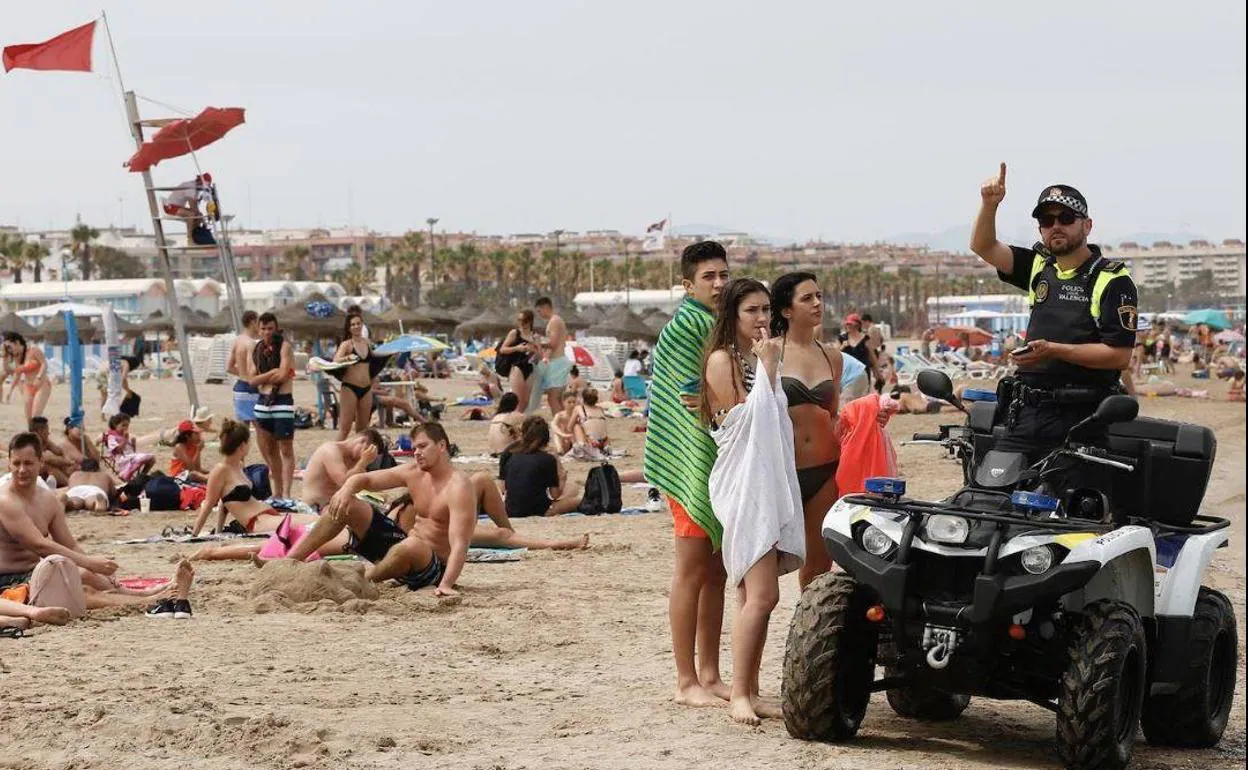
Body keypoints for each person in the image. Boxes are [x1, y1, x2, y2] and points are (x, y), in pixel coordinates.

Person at [970, 165, 1137, 460]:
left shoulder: (1112, 280)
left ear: (1087, 225)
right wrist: (989, 205)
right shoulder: (1039, 266)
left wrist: (1054, 351)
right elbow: (983, 245)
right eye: (1047, 220)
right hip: (1027, 412)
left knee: (1073, 502)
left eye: (1066, 218)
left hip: (1085, 417)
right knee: (993, 492)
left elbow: (1119, 356)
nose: (1056, 226)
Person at [700, 278, 803, 725]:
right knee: (761, 593)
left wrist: (768, 367)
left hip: (765, 479)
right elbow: (744, 419)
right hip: (742, 484)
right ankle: (740, 692)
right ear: (733, 317)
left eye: (766, 310)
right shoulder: (723, 360)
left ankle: (751, 689)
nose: (762, 319)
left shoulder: (758, 357)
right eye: (752, 311)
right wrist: (768, 367)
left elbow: (774, 414)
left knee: (756, 596)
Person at [641, 240, 732, 707]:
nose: (718, 284)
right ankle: (685, 681)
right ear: (687, 284)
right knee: (690, 571)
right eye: (708, 277)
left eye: (723, 275)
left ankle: (711, 674)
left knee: (715, 571)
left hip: (713, 458)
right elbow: (684, 403)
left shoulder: (719, 326)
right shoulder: (686, 329)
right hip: (689, 462)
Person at [0, 432, 194, 615]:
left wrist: (93, 568)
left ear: (40, 462)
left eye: (28, 463)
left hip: (34, 570)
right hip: (8, 580)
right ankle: (151, 601)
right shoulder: (6, 501)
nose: (21, 470)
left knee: (86, 574)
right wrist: (90, 562)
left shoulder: (48, 499)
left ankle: (144, 593)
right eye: (16, 463)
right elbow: (39, 544)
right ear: (9, 464)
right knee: (80, 590)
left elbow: (69, 544)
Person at [287, 423, 476, 596]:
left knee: (412, 545)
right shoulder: (414, 472)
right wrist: (346, 490)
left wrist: (446, 584)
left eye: (423, 446)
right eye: (414, 448)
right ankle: (288, 562)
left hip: (433, 569)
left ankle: (364, 580)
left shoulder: (458, 487)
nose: (416, 452)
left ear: (442, 446)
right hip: (403, 552)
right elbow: (366, 480)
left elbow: (460, 543)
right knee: (348, 505)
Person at [769, 272, 845, 588]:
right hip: (782, 472)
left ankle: (808, 632)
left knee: (818, 568)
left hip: (825, 470)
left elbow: (833, 414)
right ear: (787, 310)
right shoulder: (770, 352)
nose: (817, 303)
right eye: (807, 298)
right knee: (765, 568)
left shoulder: (833, 356)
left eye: (819, 296)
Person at [189, 419, 291, 537]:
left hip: (266, 513)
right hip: (256, 521)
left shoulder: (239, 466)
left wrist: (218, 531)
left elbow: (224, 502)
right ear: (242, 445)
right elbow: (208, 504)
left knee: (312, 520)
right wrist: (194, 535)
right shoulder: (220, 470)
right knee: (310, 525)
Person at [248, 312, 296, 498]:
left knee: (286, 449)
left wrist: (264, 377)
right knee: (270, 451)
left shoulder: (284, 347)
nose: (267, 332)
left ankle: (287, 493)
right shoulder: (258, 349)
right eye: (263, 328)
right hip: (263, 403)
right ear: (258, 330)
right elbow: (251, 380)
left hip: (282, 402)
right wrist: (271, 374)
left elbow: (284, 375)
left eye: (270, 328)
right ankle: (277, 492)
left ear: (276, 329)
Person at [498, 416, 583, 517]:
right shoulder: (547, 459)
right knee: (576, 495)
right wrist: (562, 475)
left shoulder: (510, 453)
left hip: (510, 509)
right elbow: (555, 495)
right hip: (539, 510)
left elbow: (502, 488)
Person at [300, 430, 386, 509]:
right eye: (366, 452)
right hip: (316, 506)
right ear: (362, 441)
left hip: (333, 504)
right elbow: (344, 481)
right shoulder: (330, 450)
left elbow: (362, 484)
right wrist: (363, 462)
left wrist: (377, 495)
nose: (362, 457)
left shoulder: (354, 459)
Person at [333, 311, 378, 440]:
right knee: (345, 429)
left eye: (358, 323)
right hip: (350, 387)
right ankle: (333, 454)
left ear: (362, 325)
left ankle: (358, 456)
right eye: (353, 324)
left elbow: (373, 363)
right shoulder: (347, 344)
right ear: (349, 328)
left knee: (363, 429)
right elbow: (336, 360)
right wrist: (347, 357)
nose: (356, 326)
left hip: (366, 388)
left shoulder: (367, 343)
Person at [531, 297, 571, 415]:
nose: (539, 314)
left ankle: (558, 423)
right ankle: (563, 423)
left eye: (539, 311)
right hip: (558, 361)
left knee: (553, 397)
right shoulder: (556, 320)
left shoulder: (554, 321)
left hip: (557, 362)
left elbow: (553, 344)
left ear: (546, 308)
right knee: (558, 398)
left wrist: (537, 342)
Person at [3, 332, 51, 422]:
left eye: (9, 347)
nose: (9, 350)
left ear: (17, 342)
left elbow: (44, 364)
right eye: (6, 348)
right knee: (29, 420)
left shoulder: (34, 350)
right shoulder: (18, 356)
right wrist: (10, 390)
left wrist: (39, 376)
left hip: (41, 385)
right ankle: (32, 435)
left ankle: (39, 433)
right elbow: (18, 373)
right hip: (27, 387)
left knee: (35, 417)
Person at [497, 310, 539, 412]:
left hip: (530, 367)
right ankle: (515, 422)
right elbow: (502, 349)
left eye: (523, 320)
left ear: (529, 321)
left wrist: (534, 350)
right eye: (519, 320)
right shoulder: (514, 333)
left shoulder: (535, 336)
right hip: (517, 367)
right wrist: (517, 348)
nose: (521, 322)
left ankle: (518, 421)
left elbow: (540, 356)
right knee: (518, 400)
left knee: (525, 402)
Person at [227, 310, 261, 424]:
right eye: (259, 322)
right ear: (252, 322)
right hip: (251, 388)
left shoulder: (237, 340)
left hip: (240, 387)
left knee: (242, 429)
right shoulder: (251, 344)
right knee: (260, 427)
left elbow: (229, 367)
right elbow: (253, 370)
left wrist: (242, 373)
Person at [103, 413, 155, 482]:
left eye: (127, 426)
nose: (125, 428)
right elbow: (118, 450)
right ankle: (126, 474)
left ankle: (141, 476)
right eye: (123, 425)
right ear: (115, 425)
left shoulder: (124, 435)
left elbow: (132, 452)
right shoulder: (112, 437)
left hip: (130, 457)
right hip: (121, 459)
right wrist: (125, 439)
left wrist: (133, 444)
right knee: (141, 458)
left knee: (152, 459)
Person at [30, 416, 76, 488]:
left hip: (40, 471)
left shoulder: (45, 442)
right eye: (46, 431)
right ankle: (71, 485)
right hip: (31, 472)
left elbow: (59, 451)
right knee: (49, 467)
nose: (49, 433)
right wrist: (69, 462)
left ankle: (70, 482)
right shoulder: (31, 443)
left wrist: (66, 461)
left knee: (60, 465)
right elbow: (47, 458)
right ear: (40, 431)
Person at [574, 387, 610, 453]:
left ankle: (582, 445)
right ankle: (606, 447)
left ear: (583, 399)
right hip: (604, 441)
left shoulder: (579, 408)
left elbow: (569, 427)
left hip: (591, 441)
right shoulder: (600, 409)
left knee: (576, 426)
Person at [550, 389, 579, 455]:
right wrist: (563, 435)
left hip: (575, 440)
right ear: (563, 403)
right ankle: (560, 450)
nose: (572, 405)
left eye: (574, 402)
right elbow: (553, 425)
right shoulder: (560, 415)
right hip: (564, 440)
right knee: (556, 434)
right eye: (569, 402)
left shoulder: (578, 414)